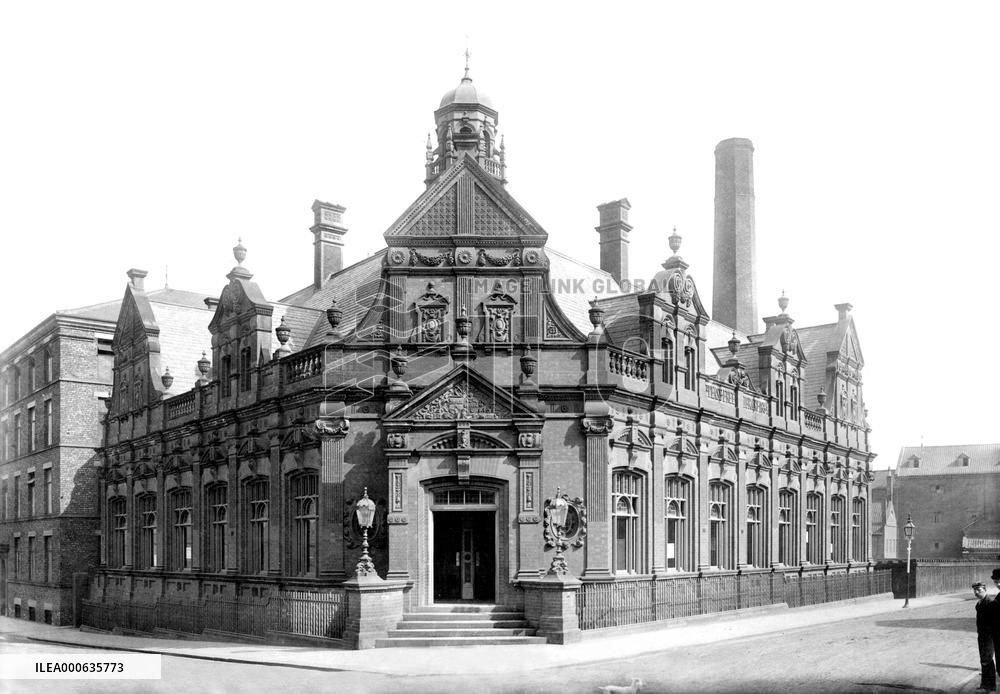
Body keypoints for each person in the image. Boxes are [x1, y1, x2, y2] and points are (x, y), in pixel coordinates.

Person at [974, 581, 999, 692]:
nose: (976, 592)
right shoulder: (979, 603)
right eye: (975, 590)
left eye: (979, 590)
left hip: (988, 637)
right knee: (984, 660)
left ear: (985, 590)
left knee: (987, 660)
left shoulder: (989, 603)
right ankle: (985, 684)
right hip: (982, 636)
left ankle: (989, 686)